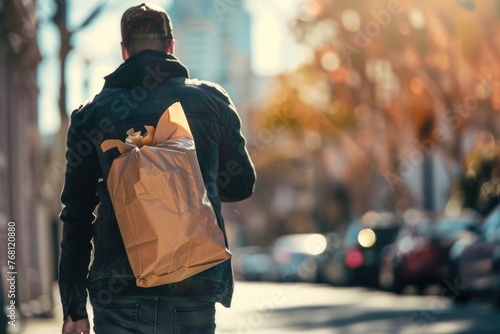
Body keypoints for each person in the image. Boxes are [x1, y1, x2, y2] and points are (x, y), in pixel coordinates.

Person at [59, 3, 256, 333]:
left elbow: (76, 215)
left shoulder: (91, 115)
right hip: (193, 283)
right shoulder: (212, 101)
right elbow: (241, 184)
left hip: (119, 290)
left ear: (125, 51)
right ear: (171, 46)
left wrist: (74, 307)